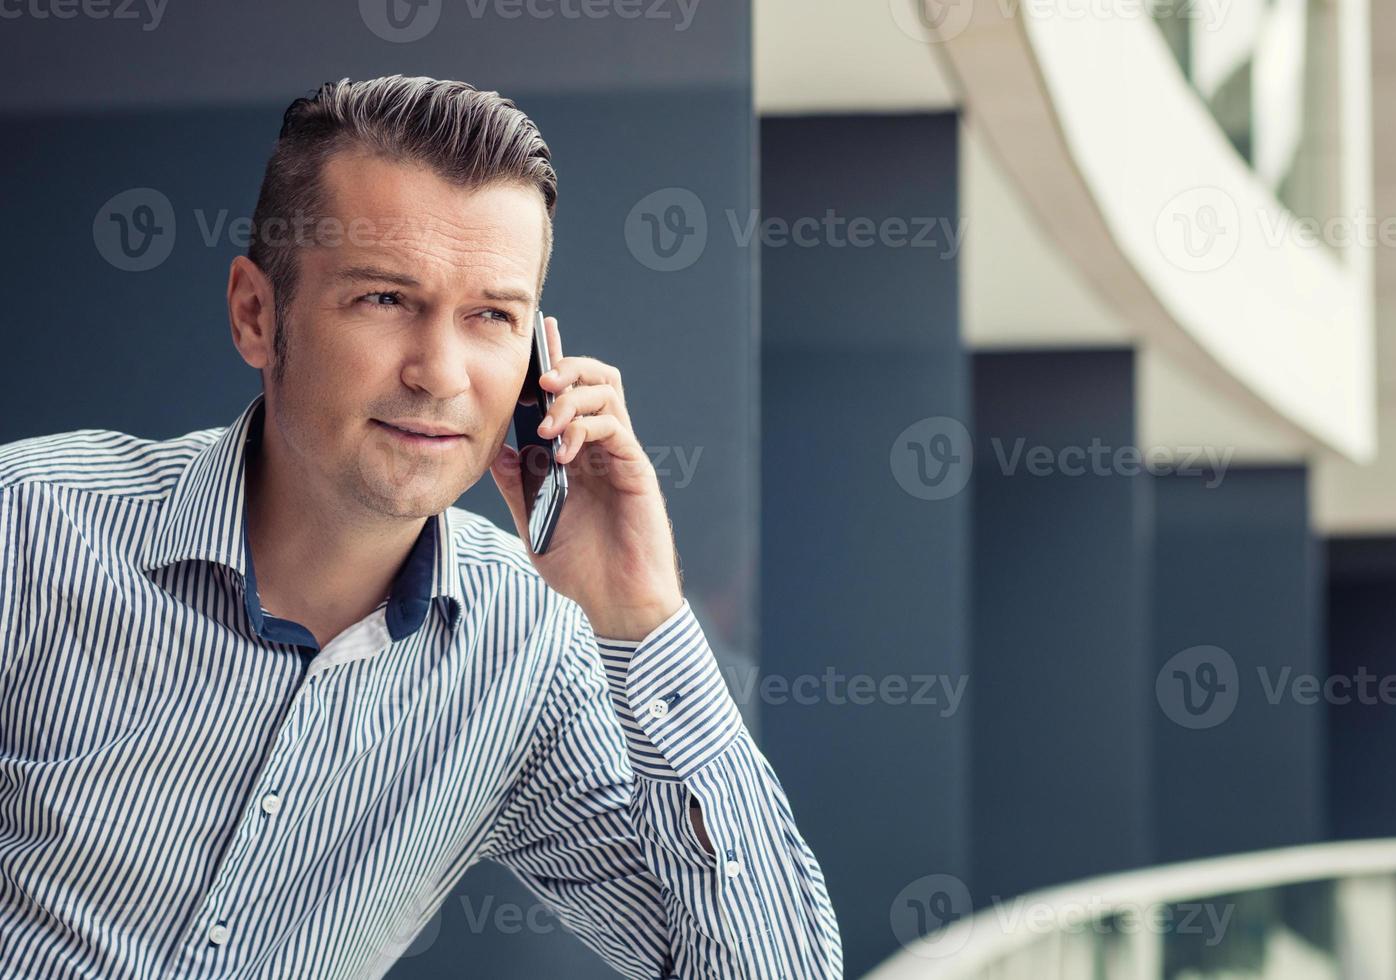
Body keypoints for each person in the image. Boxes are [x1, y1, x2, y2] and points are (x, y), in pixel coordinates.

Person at [0, 74, 842, 979]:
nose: (439, 374)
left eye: (491, 317)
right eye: (385, 300)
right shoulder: (31, 528)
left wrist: (644, 616)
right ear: (256, 312)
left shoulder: (527, 651)